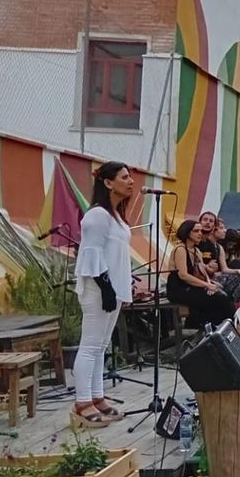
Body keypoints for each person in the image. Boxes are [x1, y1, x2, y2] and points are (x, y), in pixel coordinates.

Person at [70, 161, 135, 428]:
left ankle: (97, 396)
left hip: (114, 289)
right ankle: (82, 401)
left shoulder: (116, 216)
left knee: (101, 346)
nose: (131, 181)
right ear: (108, 182)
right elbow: (91, 252)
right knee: (90, 345)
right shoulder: (97, 215)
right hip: (99, 289)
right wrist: (105, 285)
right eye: (124, 177)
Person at [166, 219, 235, 328]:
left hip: (191, 287)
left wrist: (211, 283)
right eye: (196, 231)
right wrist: (206, 285)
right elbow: (183, 275)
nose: (200, 233)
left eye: (200, 231)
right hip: (179, 289)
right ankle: (224, 328)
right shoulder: (180, 249)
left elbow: (201, 273)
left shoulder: (196, 251)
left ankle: (217, 327)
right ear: (187, 232)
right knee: (219, 299)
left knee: (224, 295)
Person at [197, 211, 240, 306]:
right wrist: (209, 270)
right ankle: (237, 305)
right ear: (214, 230)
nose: (225, 230)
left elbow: (224, 269)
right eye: (221, 228)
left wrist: (239, 271)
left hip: (216, 276)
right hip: (206, 278)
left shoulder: (218, 247)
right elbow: (198, 265)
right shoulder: (198, 243)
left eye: (210, 221)